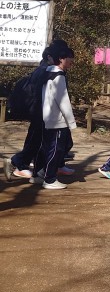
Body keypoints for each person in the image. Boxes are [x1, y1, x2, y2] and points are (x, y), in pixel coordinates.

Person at [4, 40, 70, 181]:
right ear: (51, 56)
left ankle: (51, 166)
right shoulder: (46, 71)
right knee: (37, 142)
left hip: (44, 113)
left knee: (47, 142)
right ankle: (19, 163)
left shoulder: (50, 70)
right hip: (41, 112)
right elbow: (42, 94)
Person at [32, 46, 77, 190]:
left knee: (45, 148)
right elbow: (63, 101)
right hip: (57, 120)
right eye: (70, 58)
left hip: (47, 117)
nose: (71, 61)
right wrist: (71, 122)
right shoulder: (59, 76)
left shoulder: (48, 73)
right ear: (61, 59)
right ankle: (50, 179)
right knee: (56, 150)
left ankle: (39, 173)